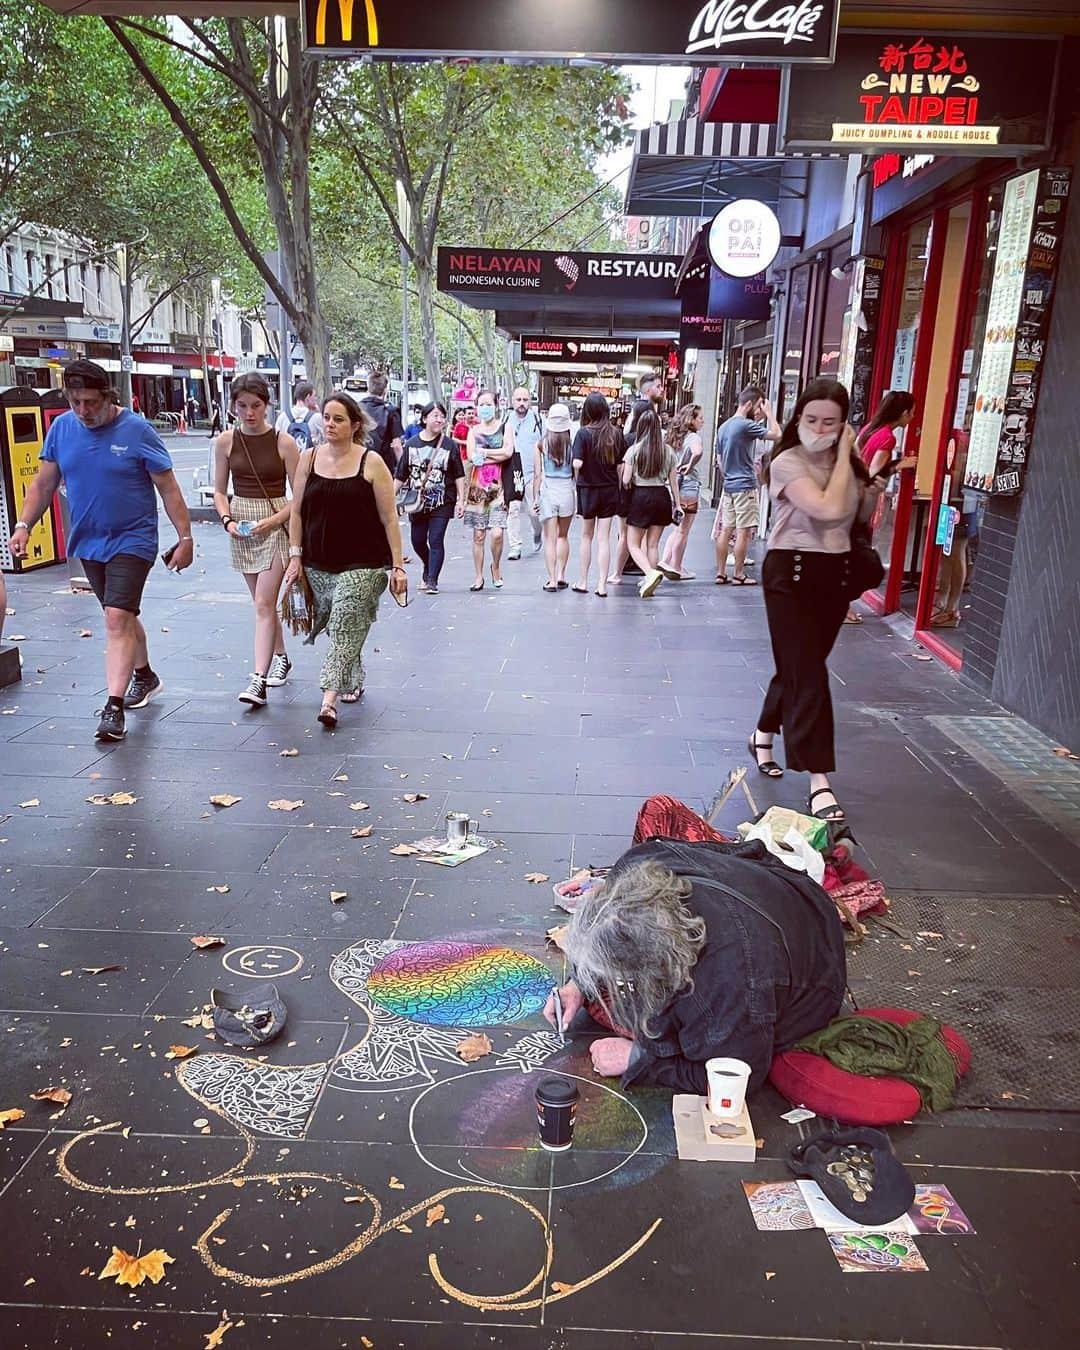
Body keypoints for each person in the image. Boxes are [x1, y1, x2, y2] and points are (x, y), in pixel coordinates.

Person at [543, 794, 846, 1092]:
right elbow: (608, 923)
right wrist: (579, 983)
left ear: (651, 967)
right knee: (657, 808)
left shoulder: (726, 983)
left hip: (816, 967)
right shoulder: (638, 865)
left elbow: (739, 1075)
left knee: (633, 1022)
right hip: (781, 888)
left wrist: (638, 1059)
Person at [9, 359, 192, 742]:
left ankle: (113, 707)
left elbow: (168, 487)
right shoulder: (62, 429)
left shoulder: (137, 430)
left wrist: (185, 537)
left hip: (133, 539)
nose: (82, 411)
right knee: (120, 615)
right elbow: (44, 485)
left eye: (90, 402)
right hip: (89, 540)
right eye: (75, 401)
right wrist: (24, 525)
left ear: (108, 396)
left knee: (114, 619)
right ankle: (145, 676)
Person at [751, 378, 887, 823]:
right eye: (811, 419)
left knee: (796, 666)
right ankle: (819, 781)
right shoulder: (786, 461)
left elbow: (857, 517)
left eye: (831, 421)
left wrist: (862, 475)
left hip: (834, 574)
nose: (820, 428)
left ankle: (763, 731)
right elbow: (827, 509)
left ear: (844, 422)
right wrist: (849, 460)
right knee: (808, 670)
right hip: (789, 574)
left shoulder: (848, 460)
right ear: (798, 417)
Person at [283, 393, 406, 728]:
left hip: (365, 562)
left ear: (355, 425)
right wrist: (295, 557)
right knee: (343, 623)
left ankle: (328, 699)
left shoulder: (372, 462)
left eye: (338, 419)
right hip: (318, 563)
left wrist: (398, 566)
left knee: (343, 620)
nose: (330, 424)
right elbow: (296, 512)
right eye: (326, 417)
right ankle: (354, 671)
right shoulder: (308, 459)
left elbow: (390, 518)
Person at [214, 372, 301, 708]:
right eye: (242, 406)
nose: (249, 413)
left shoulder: (283, 442)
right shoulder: (226, 441)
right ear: (233, 406)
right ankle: (280, 655)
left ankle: (258, 679)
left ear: (266, 406)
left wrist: (276, 520)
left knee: (265, 603)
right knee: (261, 603)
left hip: (275, 525)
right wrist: (227, 520)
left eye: (256, 406)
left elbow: (300, 495)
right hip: (242, 526)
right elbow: (220, 490)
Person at [845, 391, 917, 623]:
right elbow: (873, 474)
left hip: (848, 494)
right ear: (904, 413)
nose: (913, 418)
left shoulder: (868, 429)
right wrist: (898, 465)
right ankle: (841, 606)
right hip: (860, 502)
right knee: (856, 556)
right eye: (913, 413)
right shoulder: (888, 438)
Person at [713, 386, 781, 586]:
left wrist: (729, 476)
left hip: (729, 485)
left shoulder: (723, 427)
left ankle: (720, 572)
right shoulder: (745, 425)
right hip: (745, 485)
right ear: (750, 404)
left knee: (726, 529)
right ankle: (739, 573)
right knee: (743, 530)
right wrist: (770, 414)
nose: (759, 411)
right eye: (759, 406)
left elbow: (719, 460)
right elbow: (777, 434)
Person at [395, 400, 465, 595]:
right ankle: (428, 564)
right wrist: (390, 499)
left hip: (443, 500)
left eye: (442, 416)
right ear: (424, 419)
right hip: (417, 501)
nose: (439, 419)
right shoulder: (411, 444)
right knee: (417, 540)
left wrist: (461, 500)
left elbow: (459, 474)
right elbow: (401, 475)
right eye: (435, 415)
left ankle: (432, 580)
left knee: (435, 539)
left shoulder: (449, 445)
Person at [619, 409, 681, 599]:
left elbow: (626, 478)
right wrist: (677, 505)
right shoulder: (668, 450)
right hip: (662, 497)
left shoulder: (634, 450)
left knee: (633, 544)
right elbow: (673, 481)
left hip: (641, 497)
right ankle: (650, 579)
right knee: (652, 545)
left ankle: (650, 574)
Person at [572, 392, 627, 597]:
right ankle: (602, 585)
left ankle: (583, 581)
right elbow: (621, 465)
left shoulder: (583, 434)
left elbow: (577, 462)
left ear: (587, 410)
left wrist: (575, 473)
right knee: (604, 538)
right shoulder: (616, 433)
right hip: (610, 489)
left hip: (587, 490)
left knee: (586, 536)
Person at [463, 390, 515, 591]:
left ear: (496, 405)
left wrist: (484, 453)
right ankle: (478, 576)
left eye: (488, 404)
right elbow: (471, 456)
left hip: (499, 487)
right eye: (481, 404)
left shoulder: (505, 427)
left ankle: (496, 565)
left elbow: (508, 452)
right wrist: (496, 454)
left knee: (497, 534)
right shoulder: (473, 431)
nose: (485, 408)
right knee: (478, 535)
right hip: (478, 488)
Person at [659, 404, 705, 581]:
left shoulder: (673, 437)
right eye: (700, 418)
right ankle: (674, 565)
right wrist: (690, 465)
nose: (702, 421)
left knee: (678, 528)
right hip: (688, 485)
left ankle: (668, 563)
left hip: (673, 486)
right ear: (691, 419)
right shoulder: (693, 437)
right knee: (684, 530)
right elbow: (698, 452)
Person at [533, 403, 576, 592]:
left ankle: (550, 579)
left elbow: (537, 474)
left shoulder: (541, 444)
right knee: (562, 536)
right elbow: (577, 474)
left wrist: (535, 497)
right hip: (567, 490)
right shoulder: (572, 445)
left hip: (548, 491)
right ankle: (561, 576)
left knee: (549, 538)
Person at [504, 387, 544, 558]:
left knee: (534, 512)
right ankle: (515, 547)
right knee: (512, 510)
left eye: (525, 400)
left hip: (531, 474)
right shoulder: (506, 420)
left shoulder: (538, 420)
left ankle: (537, 532)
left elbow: (546, 444)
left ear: (530, 401)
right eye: (518, 400)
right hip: (512, 473)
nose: (521, 403)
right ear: (512, 401)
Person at [360, 371, 404, 473]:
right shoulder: (391, 411)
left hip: (360, 464)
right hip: (384, 466)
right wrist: (403, 470)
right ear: (385, 390)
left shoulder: (356, 409)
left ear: (368, 387)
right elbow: (396, 445)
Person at [275, 379, 325, 453]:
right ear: (308, 397)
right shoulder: (316, 417)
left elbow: (276, 440)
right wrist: (319, 412)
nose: (316, 399)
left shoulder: (283, 416)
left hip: (288, 461)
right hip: (308, 461)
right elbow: (326, 439)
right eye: (314, 396)